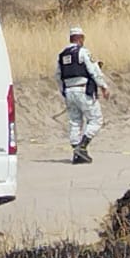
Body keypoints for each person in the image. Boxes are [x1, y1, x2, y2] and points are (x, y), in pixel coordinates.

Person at [55, 26, 110, 164]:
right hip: (83, 90)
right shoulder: (83, 52)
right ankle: (82, 146)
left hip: (69, 91)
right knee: (96, 120)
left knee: (75, 122)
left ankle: (77, 153)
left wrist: (64, 91)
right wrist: (103, 86)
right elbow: (93, 70)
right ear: (80, 38)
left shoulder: (61, 55)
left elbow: (58, 75)